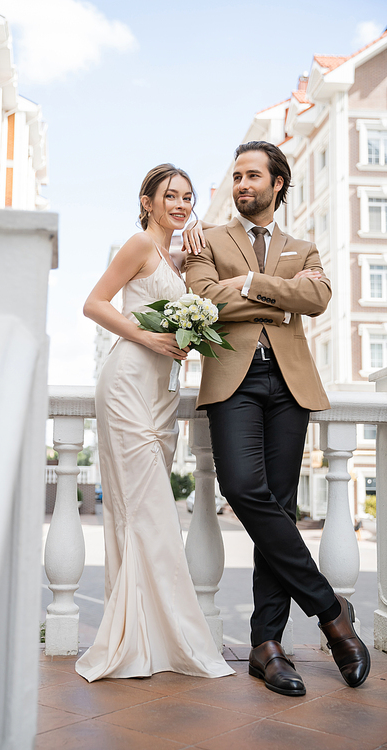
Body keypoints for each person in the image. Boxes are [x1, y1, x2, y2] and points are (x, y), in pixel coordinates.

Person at [184, 141, 370, 696]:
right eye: (236, 176)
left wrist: (250, 286)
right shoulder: (207, 241)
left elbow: (317, 298)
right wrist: (275, 300)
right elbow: (204, 300)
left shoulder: (303, 245)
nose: (241, 185)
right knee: (244, 488)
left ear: (277, 184)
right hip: (232, 380)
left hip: (290, 382)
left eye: (251, 176)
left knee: (281, 507)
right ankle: (332, 613)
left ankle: (267, 647)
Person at [75, 164, 235, 683]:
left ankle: (147, 632)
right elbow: (94, 304)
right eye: (171, 195)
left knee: (142, 513)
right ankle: (159, 638)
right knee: (147, 512)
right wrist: (148, 337)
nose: (181, 204)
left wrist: (187, 332)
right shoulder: (139, 245)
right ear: (147, 201)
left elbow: (192, 298)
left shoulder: (177, 257)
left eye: (188, 197)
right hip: (128, 383)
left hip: (163, 393)